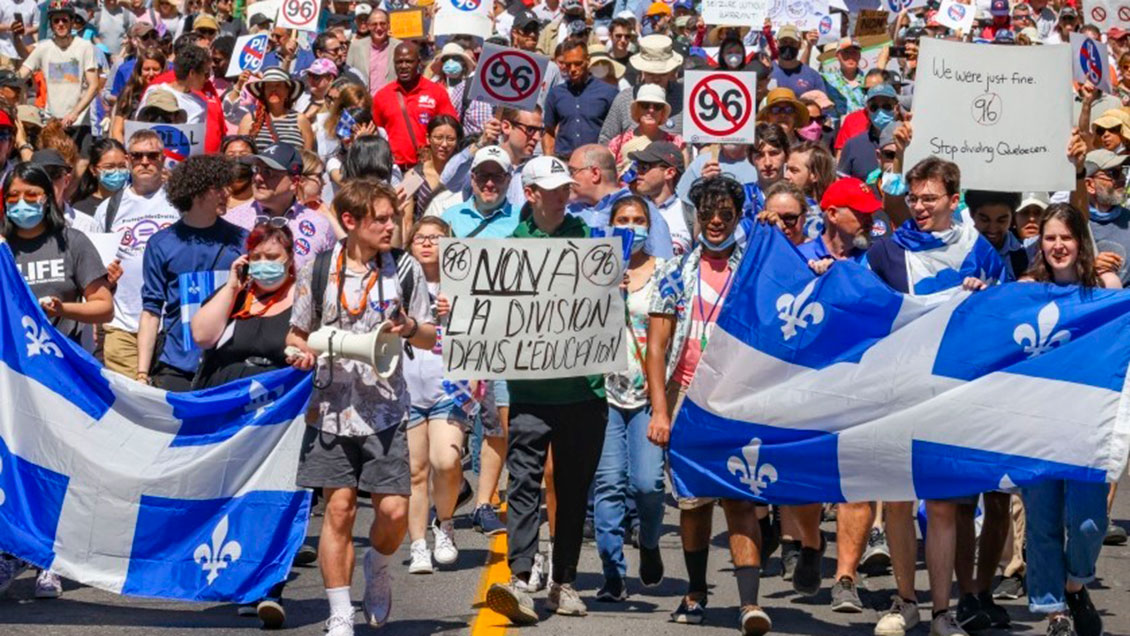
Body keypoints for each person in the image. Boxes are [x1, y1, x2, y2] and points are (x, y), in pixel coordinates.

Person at [285, 178, 436, 636]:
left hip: (386, 411)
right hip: (330, 409)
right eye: (382, 219)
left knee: (392, 511)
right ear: (350, 221)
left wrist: (409, 327)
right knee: (339, 509)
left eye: (393, 218)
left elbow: (431, 336)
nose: (392, 226)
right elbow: (296, 332)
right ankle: (339, 613)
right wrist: (300, 352)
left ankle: (379, 564)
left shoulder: (405, 270)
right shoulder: (317, 268)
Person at [866, 157, 1006, 636]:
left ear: (953, 199)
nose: (921, 207)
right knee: (900, 500)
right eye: (914, 198)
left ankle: (942, 612)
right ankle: (905, 600)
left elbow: (1003, 317)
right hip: (899, 389)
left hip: (953, 393)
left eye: (930, 198)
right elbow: (863, 307)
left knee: (944, 505)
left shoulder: (981, 252)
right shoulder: (885, 252)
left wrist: (983, 294)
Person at [485, 156, 610, 625]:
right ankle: (520, 578)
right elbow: (487, 312)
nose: (563, 194)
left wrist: (608, 289)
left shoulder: (587, 239)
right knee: (522, 483)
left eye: (566, 187)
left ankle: (565, 581)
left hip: (584, 390)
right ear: (532, 193)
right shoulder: (509, 247)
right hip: (530, 390)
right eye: (553, 188)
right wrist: (456, 305)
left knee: (574, 489)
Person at [645, 175, 770, 634]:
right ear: (696, 216)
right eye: (708, 214)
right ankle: (696, 592)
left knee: (738, 500)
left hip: (739, 398)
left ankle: (749, 605)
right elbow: (656, 348)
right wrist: (660, 411)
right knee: (694, 504)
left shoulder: (753, 268)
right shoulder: (674, 271)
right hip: (687, 400)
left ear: (738, 218)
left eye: (726, 215)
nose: (716, 222)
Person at [0, 161, 113, 600]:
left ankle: (51, 558)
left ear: (49, 197)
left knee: (54, 467)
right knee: (10, 467)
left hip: (58, 376)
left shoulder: (72, 242)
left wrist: (63, 309)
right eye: (13, 198)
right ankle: (9, 550)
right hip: (9, 379)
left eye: (32, 196)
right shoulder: (3, 247)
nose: (23, 205)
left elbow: (102, 305)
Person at [1011, 204, 1118, 636]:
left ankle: (1074, 585)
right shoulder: (1026, 289)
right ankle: (1055, 612)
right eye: (1050, 238)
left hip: (1086, 424)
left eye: (1066, 238)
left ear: (1081, 242)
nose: (1057, 246)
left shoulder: (1105, 287)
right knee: (1042, 524)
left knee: (1089, 522)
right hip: (1035, 424)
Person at [438, 146, 518, 537]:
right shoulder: (447, 218)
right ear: (471, 179)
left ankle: (485, 502)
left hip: (504, 337)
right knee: (451, 422)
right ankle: (450, 493)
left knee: (497, 424)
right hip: (454, 336)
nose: (489, 182)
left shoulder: (521, 221)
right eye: (482, 175)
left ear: (508, 180)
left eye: (497, 176)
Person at [592, 194, 666, 603]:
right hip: (605, 394)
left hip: (648, 395)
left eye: (639, 219)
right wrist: (602, 287)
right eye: (623, 218)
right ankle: (612, 572)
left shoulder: (666, 273)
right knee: (608, 484)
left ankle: (650, 541)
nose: (631, 226)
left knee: (647, 483)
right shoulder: (593, 271)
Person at [137, 154, 246, 391]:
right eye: (218, 187)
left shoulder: (242, 240)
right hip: (176, 367)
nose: (227, 194)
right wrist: (142, 374)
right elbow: (151, 311)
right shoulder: (161, 243)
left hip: (226, 365)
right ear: (196, 191)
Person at [401, 216, 471, 574]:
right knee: (415, 471)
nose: (427, 244)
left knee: (446, 462)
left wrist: (458, 312)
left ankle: (445, 524)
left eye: (436, 238)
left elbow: (484, 327)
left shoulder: (464, 283)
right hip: (406, 387)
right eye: (420, 238)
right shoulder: (395, 281)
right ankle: (417, 545)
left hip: (450, 385)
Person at [94, 130, 179, 379]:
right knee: (128, 406)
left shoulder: (179, 201)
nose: (144, 161)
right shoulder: (107, 209)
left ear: (162, 159)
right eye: (137, 156)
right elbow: (97, 267)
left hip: (170, 325)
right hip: (123, 326)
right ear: (129, 160)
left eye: (152, 155)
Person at [226, 143, 336, 269]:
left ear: (294, 182)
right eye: (256, 169)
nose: (258, 177)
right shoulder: (231, 221)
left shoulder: (320, 225)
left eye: (268, 172)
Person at [19, 0, 98, 147]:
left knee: (81, 165)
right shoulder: (44, 48)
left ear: (72, 22)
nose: (60, 24)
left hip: (80, 122)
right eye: (56, 20)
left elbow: (94, 85)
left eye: (64, 20)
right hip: (53, 122)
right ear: (51, 24)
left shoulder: (85, 47)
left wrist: (75, 113)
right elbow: (21, 74)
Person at [370, 42, 457, 170]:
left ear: (419, 62)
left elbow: (452, 128)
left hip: (428, 168)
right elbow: (376, 135)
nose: (403, 66)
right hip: (394, 170)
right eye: (399, 62)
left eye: (409, 61)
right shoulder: (382, 96)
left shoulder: (436, 92)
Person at [598, 34, 684, 143]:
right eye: (650, 73)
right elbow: (606, 139)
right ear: (642, 71)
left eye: (662, 73)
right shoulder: (624, 99)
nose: (656, 79)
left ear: (671, 71)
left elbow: (702, 140)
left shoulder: (684, 98)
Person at [543, 39, 619, 160]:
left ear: (588, 61)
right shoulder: (556, 94)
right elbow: (549, 132)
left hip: (596, 161)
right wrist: (548, 159)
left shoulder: (609, 93)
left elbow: (617, 133)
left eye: (578, 63)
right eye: (568, 65)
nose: (572, 69)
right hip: (564, 161)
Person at [628, 140, 692, 255]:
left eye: (644, 167)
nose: (638, 172)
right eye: (637, 166)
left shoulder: (690, 215)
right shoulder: (629, 210)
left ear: (670, 173)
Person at [403, 115, 462, 228]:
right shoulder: (413, 176)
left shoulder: (463, 176)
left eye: (450, 139)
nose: (444, 144)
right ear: (428, 138)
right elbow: (406, 220)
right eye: (438, 138)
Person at [239, 67, 316, 151]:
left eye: (278, 85)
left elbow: (309, 157)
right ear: (263, 91)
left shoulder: (300, 120)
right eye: (269, 85)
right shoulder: (250, 119)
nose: (273, 89)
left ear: (287, 91)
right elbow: (240, 152)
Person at [606, 84, 685, 165]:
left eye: (657, 106)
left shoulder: (677, 143)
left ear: (663, 112)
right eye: (645, 105)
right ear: (637, 110)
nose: (651, 110)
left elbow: (683, 175)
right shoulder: (618, 143)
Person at [838, 84, 902, 182]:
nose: (880, 111)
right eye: (874, 107)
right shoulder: (853, 145)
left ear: (896, 109)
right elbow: (841, 185)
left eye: (886, 106)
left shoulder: (909, 143)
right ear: (868, 110)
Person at [109, 47, 166, 143]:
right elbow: (117, 130)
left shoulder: (169, 93)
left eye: (156, 69)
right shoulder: (129, 93)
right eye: (147, 69)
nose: (151, 73)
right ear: (139, 71)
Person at [434, 43, 491, 137]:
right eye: (446, 59)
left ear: (464, 64)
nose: (450, 62)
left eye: (456, 59)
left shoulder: (471, 87)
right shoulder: (435, 87)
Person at [346, 8, 400, 94]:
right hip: (364, 102)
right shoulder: (356, 46)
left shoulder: (398, 46)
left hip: (390, 102)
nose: (379, 28)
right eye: (374, 24)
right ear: (368, 26)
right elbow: (347, 75)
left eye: (382, 24)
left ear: (389, 25)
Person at [71, 137, 128, 216]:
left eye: (122, 166)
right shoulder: (80, 209)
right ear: (93, 170)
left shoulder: (134, 203)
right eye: (109, 167)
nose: (117, 171)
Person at [770, 24, 826, 96]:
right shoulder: (766, 72)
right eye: (784, 42)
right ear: (776, 43)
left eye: (792, 43)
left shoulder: (813, 76)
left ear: (799, 45)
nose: (788, 46)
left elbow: (822, 103)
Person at [823, 38, 869, 118]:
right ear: (837, 55)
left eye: (854, 52)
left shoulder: (869, 81)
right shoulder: (826, 80)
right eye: (846, 52)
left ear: (859, 55)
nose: (851, 56)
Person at [222, 134, 257, 210]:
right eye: (231, 154)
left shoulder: (263, 195)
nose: (237, 158)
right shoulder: (213, 195)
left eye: (244, 154)